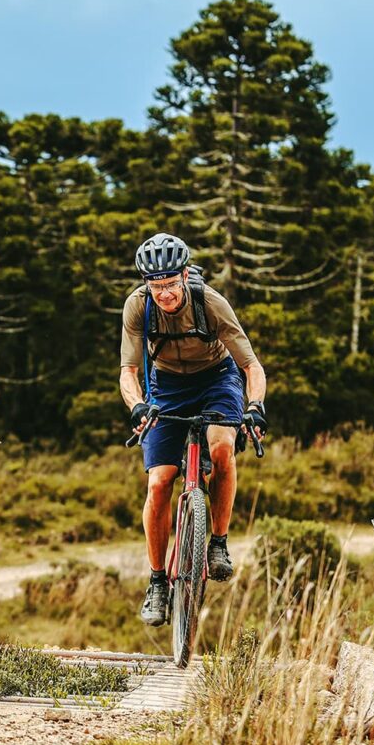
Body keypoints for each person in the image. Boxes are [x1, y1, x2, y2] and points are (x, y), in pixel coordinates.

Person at [118, 233, 268, 626]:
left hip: (217, 378)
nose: (164, 294)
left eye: (171, 284)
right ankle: (157, 582)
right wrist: (136, 405)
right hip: (166, 386)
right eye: (156, 286)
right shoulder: (137, 307)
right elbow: (128, 371)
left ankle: (217, 543)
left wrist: (255, 407)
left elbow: (251, 365)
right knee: (158, 482)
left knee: (221, 450)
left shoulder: (210, 303)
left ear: (185, 276)